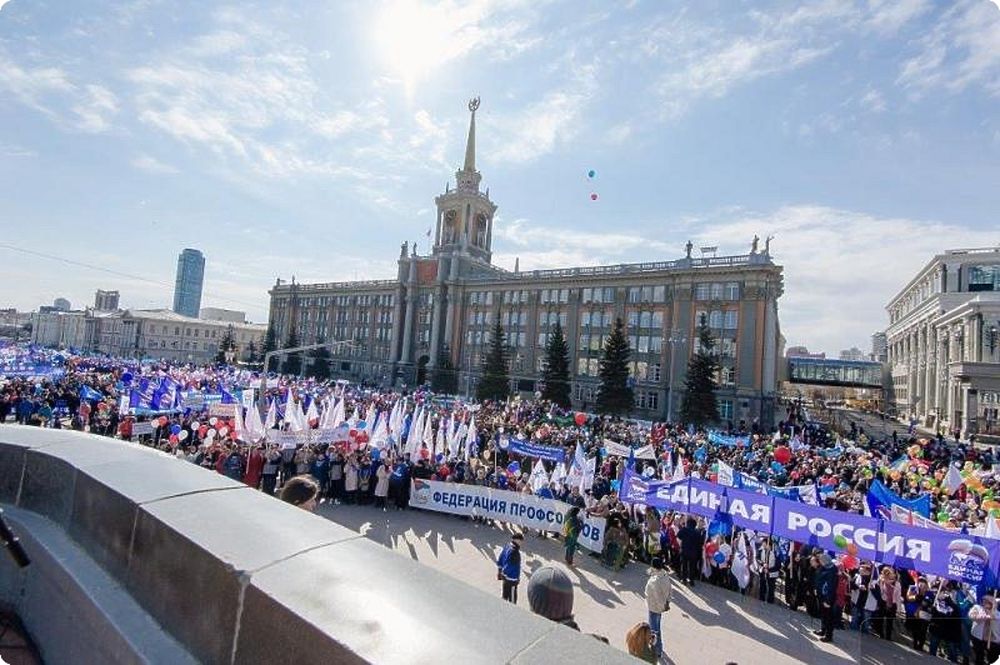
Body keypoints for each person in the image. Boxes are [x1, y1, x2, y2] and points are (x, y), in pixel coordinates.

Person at [644, 556, 672, 660]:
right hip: (660, 607)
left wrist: (661, 607)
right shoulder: (665, 575)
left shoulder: (654, 581)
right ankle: (659, 648)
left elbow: (656, 596)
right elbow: (670, 590)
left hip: (654, 607)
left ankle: (656, 650)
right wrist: (667, 603)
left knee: (653, 631)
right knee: (657, 628)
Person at [812, 553, 837, 643]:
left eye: (822, 561)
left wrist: (828, 601)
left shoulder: (832, 570)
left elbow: (831, 587)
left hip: (827, 597)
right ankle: (823, 630)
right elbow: (818, 577)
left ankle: (828, 635)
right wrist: (816, 588)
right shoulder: (823, 567)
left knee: (828, 617)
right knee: (823, 614)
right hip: (820, 594)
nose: (820, 562)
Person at [969, 594, 1000, 665]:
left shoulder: (997, 613)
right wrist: (981, 617)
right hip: (977, 638)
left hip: (994, 640)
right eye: (984, 600)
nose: (985, 602)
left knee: (993, 659)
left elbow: (997, 617)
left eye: (988, 601)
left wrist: (992, 615)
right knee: (978, 657)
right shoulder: (977, 607)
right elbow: (972, 616)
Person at [676, 517, 704, 586]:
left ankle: (684, 579)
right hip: (694, 553)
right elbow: (701, 542)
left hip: (685, 550)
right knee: (692, 567)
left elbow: (678, 536)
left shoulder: (684, 529)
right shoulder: (697, 532)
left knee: (684, 566)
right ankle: (691, 581)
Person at [497, 533, 524, 604]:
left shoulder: (507, 546)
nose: (521, 543)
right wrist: (516, 579)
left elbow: (500, 558)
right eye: (521, 541)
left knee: (504, 596)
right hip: (511, 579)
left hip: (505, 578)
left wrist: (500, 571)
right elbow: (511, 566)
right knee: (512, 600)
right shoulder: (515, 552)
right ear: (517, 540)